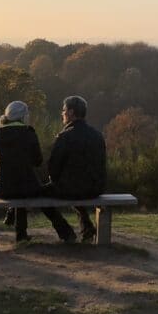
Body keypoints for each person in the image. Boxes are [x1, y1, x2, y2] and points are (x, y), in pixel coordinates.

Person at [0, 100, 77, 243]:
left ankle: (20, 233)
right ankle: (66, 233)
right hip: (25, 186)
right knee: (37, 194)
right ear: (23, 117)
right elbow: (38, 161)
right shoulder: (29, 133)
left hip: (1, 188)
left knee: (20, 190)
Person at [47, 95, 106, 243]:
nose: (62, 113)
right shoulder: (97, 135)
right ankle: (87, 229)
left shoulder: (64, 136)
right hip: (95, 188)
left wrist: (54, 181)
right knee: (75, 187)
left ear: (71, 112)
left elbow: (53, 169)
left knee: (39, 195)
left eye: (64, 110)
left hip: (71, 188)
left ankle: (66, 232)